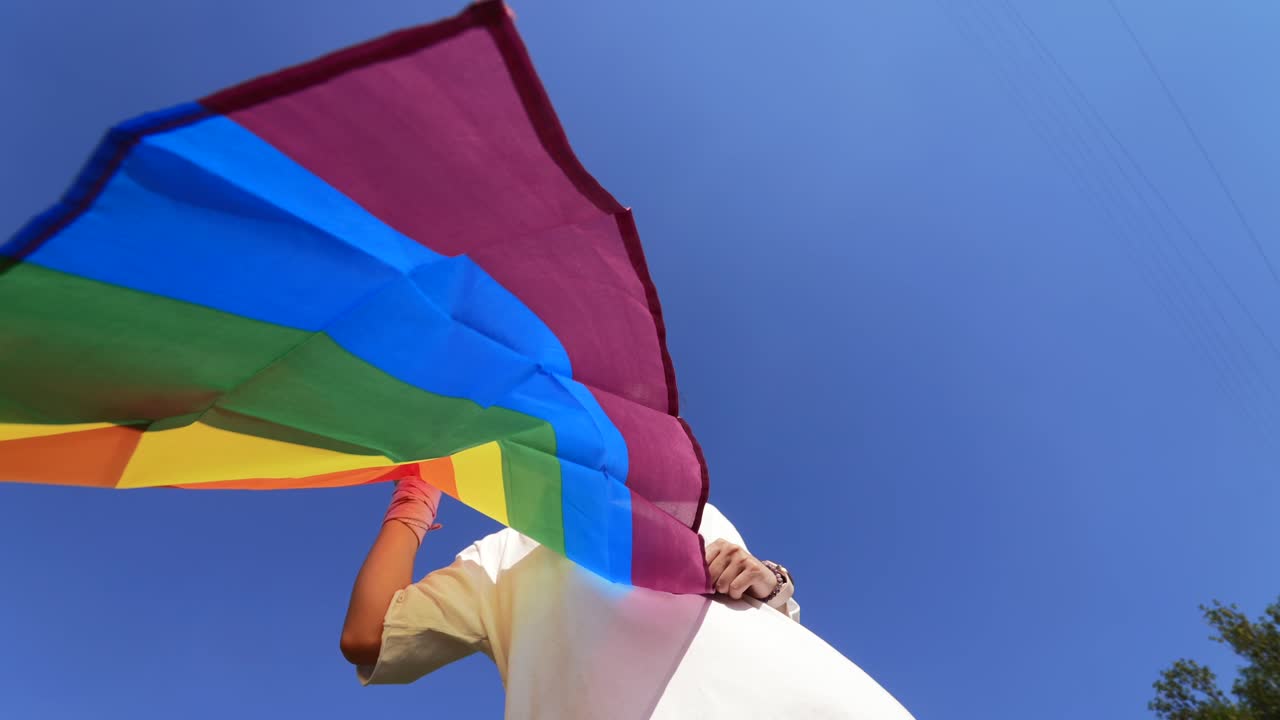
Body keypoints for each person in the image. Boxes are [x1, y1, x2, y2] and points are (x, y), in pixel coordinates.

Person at [340, 477, 915, 719]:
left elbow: (756, 611)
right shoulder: (501, 555)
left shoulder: (687, 506)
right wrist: (416, 497)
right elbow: (368, 638)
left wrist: (771, 579)